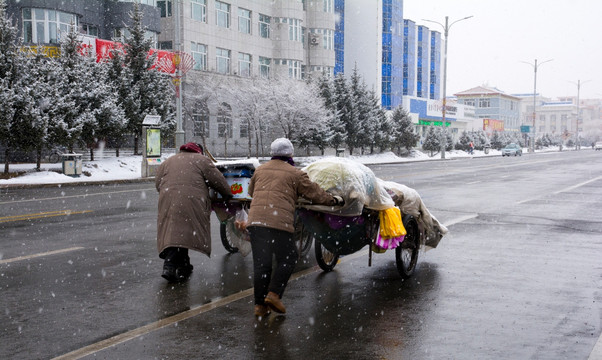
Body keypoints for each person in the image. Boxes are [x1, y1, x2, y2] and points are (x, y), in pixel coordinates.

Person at [247, 138, 344, 317]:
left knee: (262, 264)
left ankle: (260, 306)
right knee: (288, 258)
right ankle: (274, 294)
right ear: (290, 154)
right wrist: (334, 200)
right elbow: (315, 193)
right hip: (278, 222)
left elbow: (251, 192)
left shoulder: (260, 170)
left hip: (256, 222)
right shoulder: (295, 173)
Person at [155, 142, 232, 282]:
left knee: (177, 231)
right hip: (190, 200)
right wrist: (227, 194)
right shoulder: (202, 160)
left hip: (167, 199)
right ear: (199, 151)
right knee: (185, 230)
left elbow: (157, 183)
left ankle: (184, 265)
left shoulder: (169, 160)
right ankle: (169, 265)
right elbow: (218, 180)